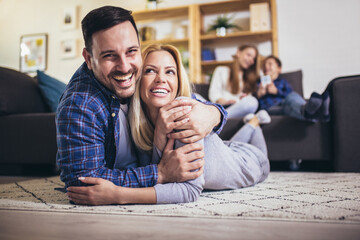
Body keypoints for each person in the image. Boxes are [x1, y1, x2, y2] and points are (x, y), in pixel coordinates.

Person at [65, 44, 270, 205]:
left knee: (251, 150)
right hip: (226, 151)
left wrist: (118, 194)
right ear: (138, 79)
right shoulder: (136, 119)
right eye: (150, 71)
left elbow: (189, 190)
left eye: (170, 72)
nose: (161, 79)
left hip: (252, 164)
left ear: (179, 80)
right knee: (226, 147)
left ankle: (255, 123)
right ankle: (251, 123)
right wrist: (160, 133)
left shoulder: (184, 116)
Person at [56, 6, 228, 188]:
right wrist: (160, 173)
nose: (124, 67)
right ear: (89, 59)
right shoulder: (80, 105)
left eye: (131, 51)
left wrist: (214, 113)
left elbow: (184, 95)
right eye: (109, 55)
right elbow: (82, 182)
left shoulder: (138, 76)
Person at [256, 55, 330, 122]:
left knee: (291, 97)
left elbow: (290, 94)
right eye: (264, 65)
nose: (266, 66)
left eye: (269, 64)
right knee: (287, 108)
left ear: (279, 69)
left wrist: (277, 92)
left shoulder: (283, 82)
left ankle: (308, 111)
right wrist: (258, 94)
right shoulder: (259, 83)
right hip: (270, 107)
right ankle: (321, 113)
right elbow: (252, 102)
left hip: (287, 103)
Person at [208, 45, 260, 119]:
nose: (251, 60)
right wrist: (225, 102)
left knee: (253, 102)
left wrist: (243, 99)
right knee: (194, 95)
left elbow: (247, 103)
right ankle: (220, 118)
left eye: (253, 58)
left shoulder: (249, 78)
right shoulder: (221, 70)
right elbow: (214, 93)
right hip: (221, 106)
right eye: (249, 55)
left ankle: (219, 120)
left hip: (237, 109)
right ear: (238, 53)